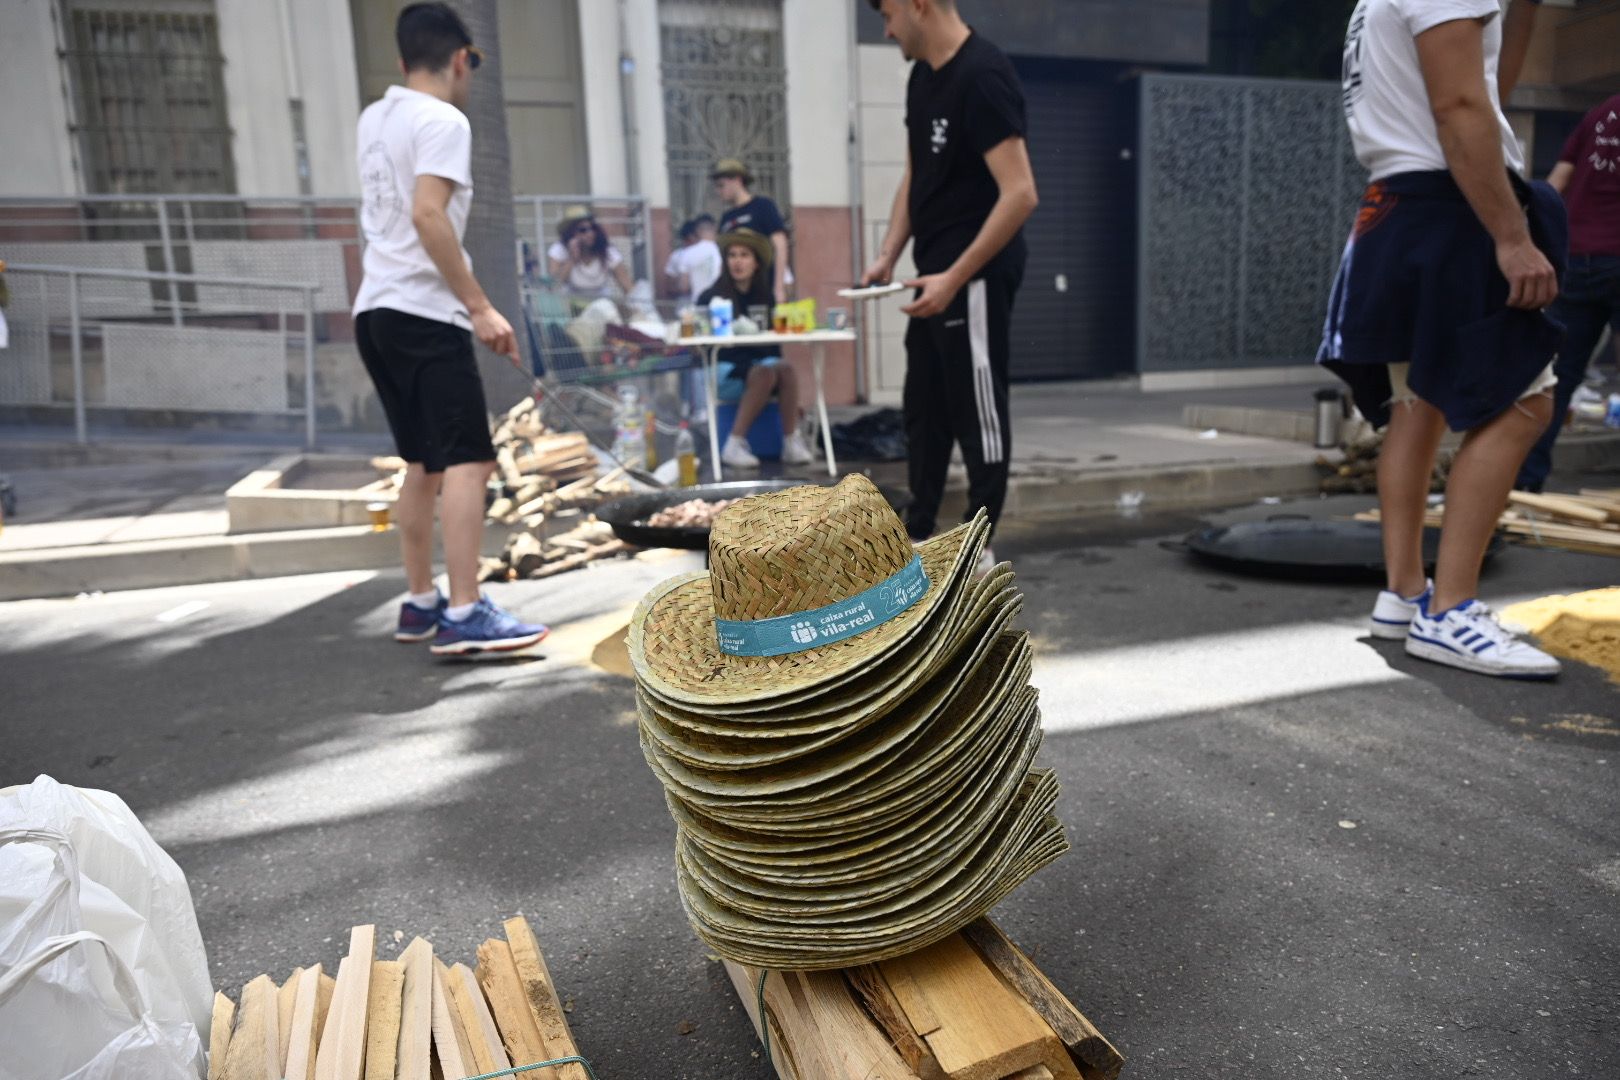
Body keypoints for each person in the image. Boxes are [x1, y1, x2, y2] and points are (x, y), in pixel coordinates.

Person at [1317, 0, 1562, 679]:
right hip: (1450, 208)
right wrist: (1512, 237)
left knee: (1416, 406)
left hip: (1404, 206)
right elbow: (1458, 106)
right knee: (1526, 403)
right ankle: (1451, 611)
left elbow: (1484, 92)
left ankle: (1405, 594)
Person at [352, 2, 548, 657]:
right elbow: (428, 216)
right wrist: (481, 307)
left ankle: (420, 602)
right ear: (461, 58)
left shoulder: (375, 119)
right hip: (423, 314)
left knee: (423, 463)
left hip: (375, 312)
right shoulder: (443, 120)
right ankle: (465, 612)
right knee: (470, 460)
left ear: (403, 57)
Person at [860, 0, 1039, 574]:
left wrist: (956, 277)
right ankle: (919, 530)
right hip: (931, 273)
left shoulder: (983, 75)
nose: (887, 30)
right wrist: (888, 253)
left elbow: (1021, 193)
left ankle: (981, 542)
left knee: (976, 408)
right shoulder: (922, 78)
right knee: (924, 406)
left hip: (975, 276)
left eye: (889, 15)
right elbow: (917, 174)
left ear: (919, 5)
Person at [1515, 91, 1620, 492]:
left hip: (1576, 257)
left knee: (1556, 378)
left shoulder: (1599, 114)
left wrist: (1533, 243)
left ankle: (1525, 482)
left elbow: (1554, 185)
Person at [698, 228, 816, 468]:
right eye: (732, 255)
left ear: (756, 263)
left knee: (785, 369)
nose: (737, 261)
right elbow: (705, 346)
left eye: (744, 255)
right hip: (724, 368)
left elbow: (773, 348)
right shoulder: (710, 297)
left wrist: (793, 398)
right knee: (764, 373)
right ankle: (734, 444)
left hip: (760, 368)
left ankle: (791, 442)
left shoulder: (766, 297)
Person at [712, 159, 792, 304]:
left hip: (764, 287)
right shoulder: (726, 217)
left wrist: (779, 287)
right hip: (735, 294)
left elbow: (780, 245)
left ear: (737, 180)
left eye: (721, 185)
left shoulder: (763, 206)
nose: (718, 192)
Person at [547, 206, 633, 298]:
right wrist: (572, 259)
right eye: (583, 230)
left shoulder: (607, 250)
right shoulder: (559, 249)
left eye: (592, 228)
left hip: (601, 301)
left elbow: (627, 284)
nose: (590, 234)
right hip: (571, 300)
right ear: (570, 234)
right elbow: (553, 286)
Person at [664, 214, 723, 305]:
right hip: (718, 303)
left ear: (697, 231)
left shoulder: (687, 254)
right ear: (714, 229)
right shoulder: (721, 251)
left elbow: (683, 287)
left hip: (696, 304)